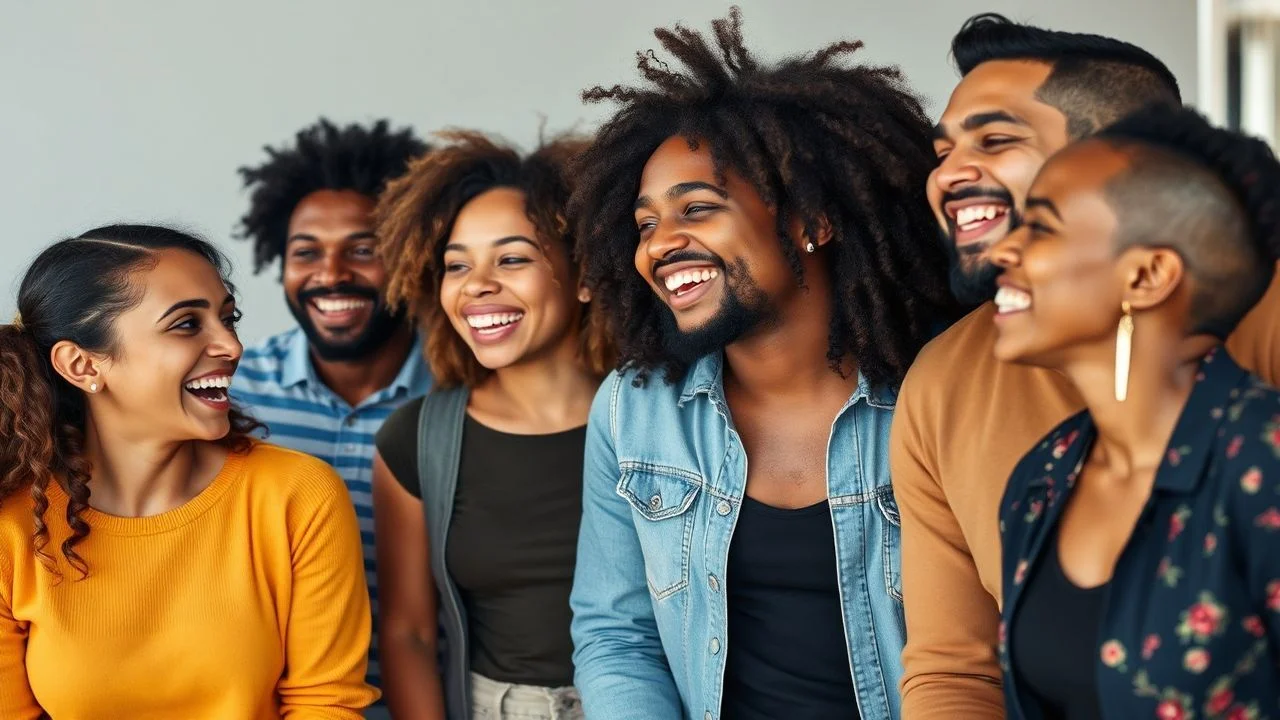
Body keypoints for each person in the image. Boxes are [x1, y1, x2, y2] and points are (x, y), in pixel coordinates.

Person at [568, 8, 958, 720]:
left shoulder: (941, 395)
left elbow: (984, 651)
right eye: (646, 223)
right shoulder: (635, 409)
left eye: (698, 209)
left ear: (811, 221)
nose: (660, 245)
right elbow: (615, 635)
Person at [891, 14, 1280, 718]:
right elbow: (956, 671)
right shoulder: (1006, 441)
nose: (947, 174)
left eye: (996, 140)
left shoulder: (1261, 402)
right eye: (943, 151)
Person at [0, 225, 376, 719]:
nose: (232, 346)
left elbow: (327, 704)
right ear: (82, 365)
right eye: (185, 325)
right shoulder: (13, 525)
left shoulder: (298, 496)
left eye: (228, 318)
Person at [992, 106, 1280, 719]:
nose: (1003, 250)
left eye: (1040, 228)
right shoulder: (1042, 478)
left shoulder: (1266, 462)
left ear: (1148, 275)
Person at [369, 131, 612, 720]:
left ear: (582, 274)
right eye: (457, 265)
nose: (477, 285)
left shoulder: (665, 417)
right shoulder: (418, 440)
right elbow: (408, 634)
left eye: (512, 258)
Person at [231, 117, 433, 705]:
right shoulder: (227, 394)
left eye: (363, 250)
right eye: (306, 252)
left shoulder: (467, 396)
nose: (330, 274)